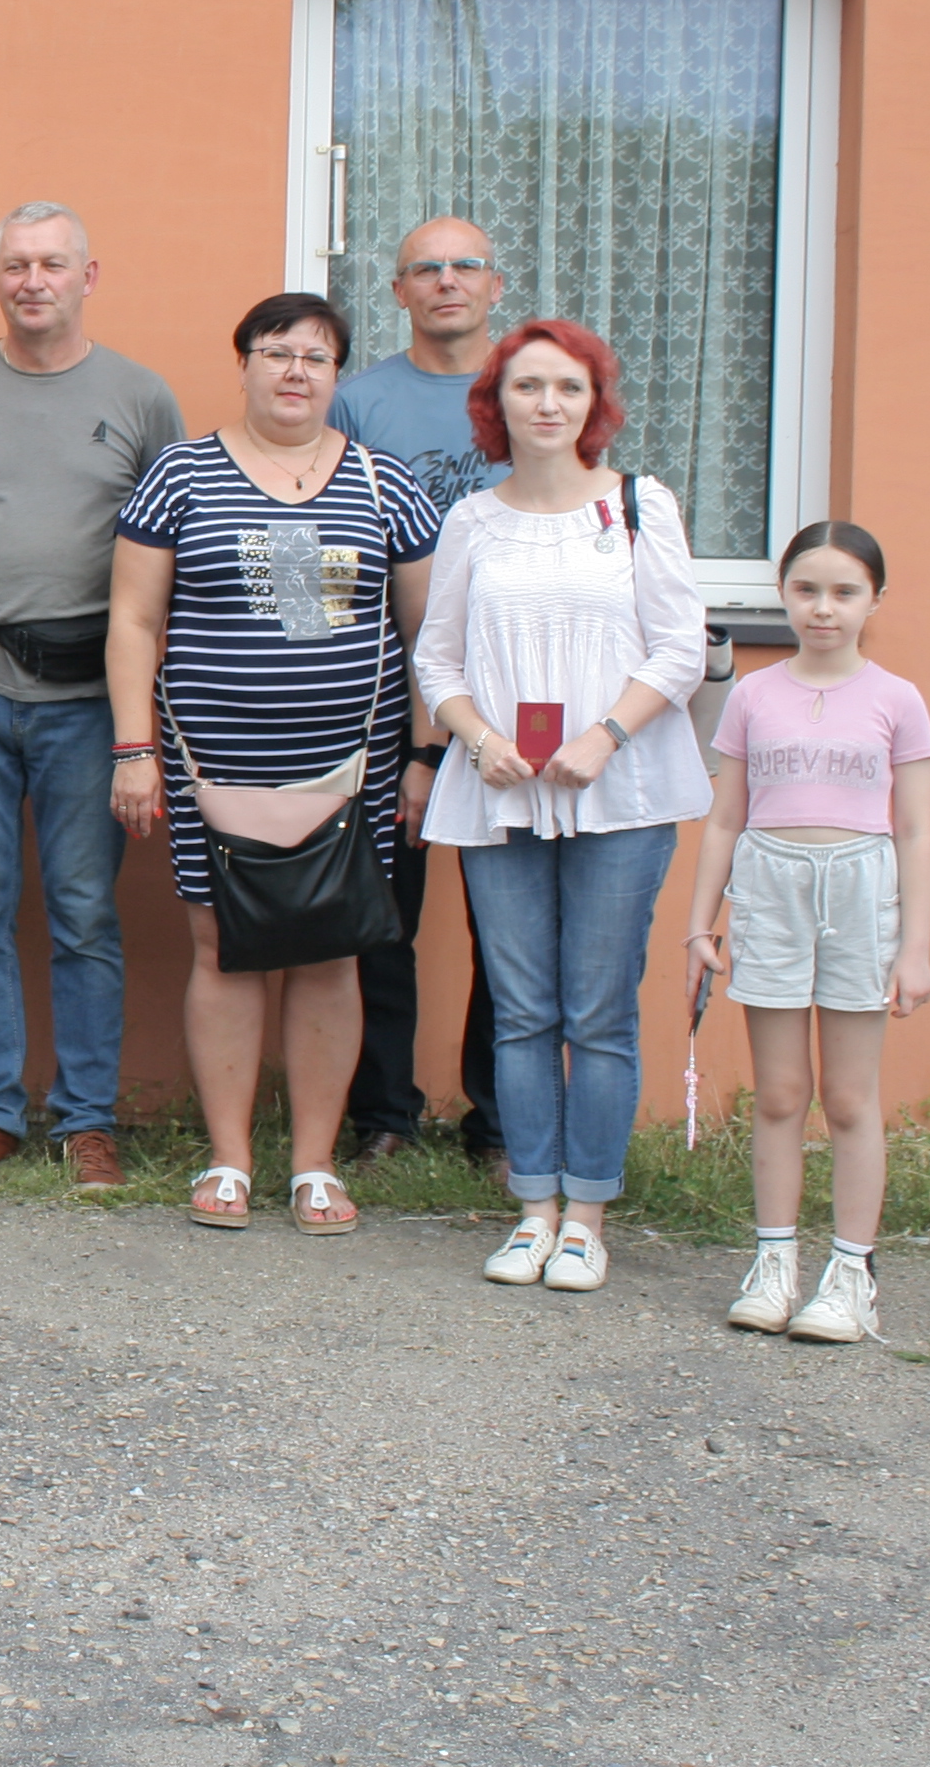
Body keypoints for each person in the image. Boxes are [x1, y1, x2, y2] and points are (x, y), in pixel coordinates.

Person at [108, 292, 439, 1235]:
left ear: (338, 376)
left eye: (317, 357)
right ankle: (229, 1160)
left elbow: (429, 639)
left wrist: (423, 757)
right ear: (243, 363)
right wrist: (135, 750)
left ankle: (315, 1167)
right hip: (209, 760)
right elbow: (132, 622)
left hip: (354, 767)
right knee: (224, 948)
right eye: (276, 352)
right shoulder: (179, 477)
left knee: (332, 951)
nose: (296, 371)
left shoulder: (385, 486)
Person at [410, 319, 710, 1293]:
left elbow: (680, 647)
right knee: (524, 1013)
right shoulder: (473, 522)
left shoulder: (637, 507)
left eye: (568, 388)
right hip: (502, 797)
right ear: (497, 404)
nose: (548, 404)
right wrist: (483, 740)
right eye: (528, 386)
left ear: (595, 405)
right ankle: (532, 1208)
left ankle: (588, 1216)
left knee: (600, 1010)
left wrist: (603, 737)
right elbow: (437, 658)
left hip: (618, 793)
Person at [0, 201, 181, 1187]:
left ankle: (86, 1120)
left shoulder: (143, 398)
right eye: (15, 265)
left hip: (90, 697)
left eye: (52, 264)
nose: (33, 280)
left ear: (88, 275)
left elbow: (164, 554)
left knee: (83, 912)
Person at [688, 522, 930, 1343]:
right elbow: (725, 818)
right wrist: (700, 925)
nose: (822, 609)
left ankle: (852, 1274)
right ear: (782, 594)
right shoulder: (755, 694)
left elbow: (915, 831)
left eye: (843, 592)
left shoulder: (898, 699)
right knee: (783, 1092)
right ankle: (775, 1262)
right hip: (772, 890)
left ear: (874, 601)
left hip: (862, 895)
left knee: (851, 1098)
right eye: (805, 590)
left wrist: (917, 947)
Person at [326, 217, 513, 1169]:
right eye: (425, 269)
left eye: (465, 266)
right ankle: (383, 1118)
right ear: (398, 292)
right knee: (383, 922)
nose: (447, 281)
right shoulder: (358, 406)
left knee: (506, 925)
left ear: (495, 285)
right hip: (387, 705)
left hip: (517, 705)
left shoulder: (533, 392)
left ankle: (498, 1124)